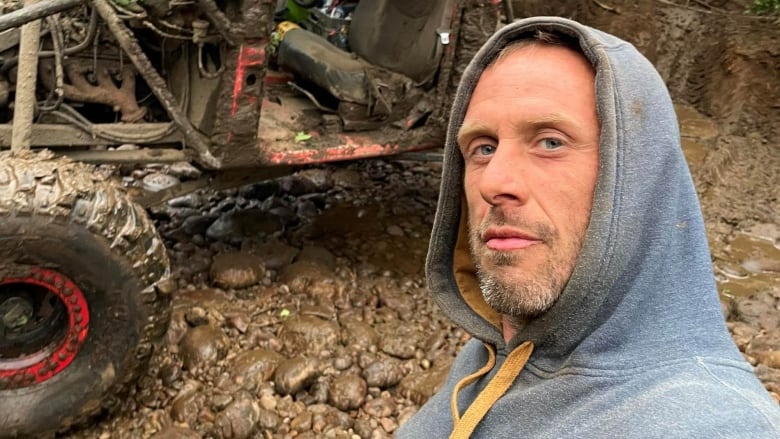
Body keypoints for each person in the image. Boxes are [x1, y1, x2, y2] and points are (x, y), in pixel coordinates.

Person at [395, 16, 780, 438]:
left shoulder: (712, 424)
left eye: (550, 142)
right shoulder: (491, 355)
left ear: (638, 178)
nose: (493, 183)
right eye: (483, 148)